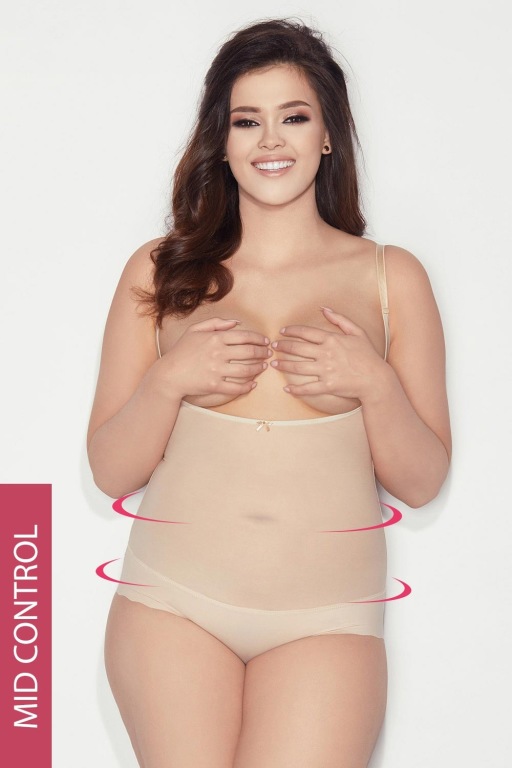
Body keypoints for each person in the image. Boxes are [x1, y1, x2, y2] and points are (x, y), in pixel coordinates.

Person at [87, 17, 451, 768]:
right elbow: (110, 470)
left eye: (294, 116)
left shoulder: (392, 278)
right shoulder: (159, 270)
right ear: (221, 140)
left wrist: (374, 385)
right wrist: (169, 380)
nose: (270, 141)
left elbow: (422, 482)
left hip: (328, 624)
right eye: (246, 121)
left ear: (329, 135)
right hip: (170, 608)